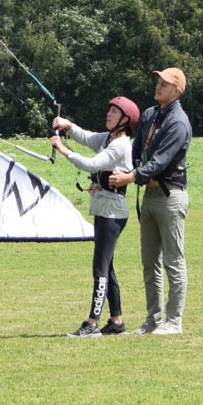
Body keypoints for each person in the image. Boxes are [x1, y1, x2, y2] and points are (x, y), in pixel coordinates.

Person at [108, 67, 191, 335]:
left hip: (170, 196)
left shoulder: (178, 122)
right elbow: (136, 152)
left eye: (165, 84)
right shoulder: (149, 115)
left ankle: (173, 322)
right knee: (148, 262)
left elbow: (159, 162)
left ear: (176, 91)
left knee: (173, 261)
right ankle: (153, 320)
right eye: (157, 81)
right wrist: (119, 171)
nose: (158, 86)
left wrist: (130, 177)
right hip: (149, 195)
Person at [51, 96, 139, 337]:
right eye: (109, 109)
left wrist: (63, 150)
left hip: (112, 213)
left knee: (99, 268)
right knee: (107, 266)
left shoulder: (120, 145)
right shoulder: (109, 138)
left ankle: (92, 323)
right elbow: (88, 137)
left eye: (114, 112)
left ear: (124, 120)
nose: (108, 114)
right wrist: (68, 126)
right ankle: (117, 321)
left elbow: (92, 164)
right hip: (105, 210)